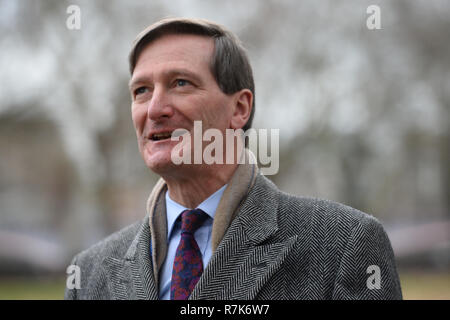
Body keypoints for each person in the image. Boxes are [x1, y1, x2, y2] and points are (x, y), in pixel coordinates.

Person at [64, 17, 402, 300]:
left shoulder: (344, 245)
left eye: (180, 83)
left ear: (239, 108)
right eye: (141, 91)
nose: (154, 109)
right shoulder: (90, 274)